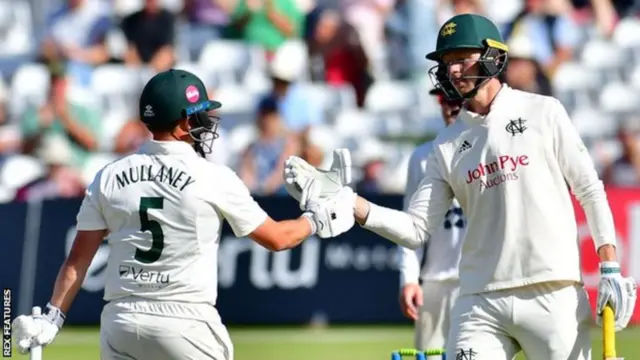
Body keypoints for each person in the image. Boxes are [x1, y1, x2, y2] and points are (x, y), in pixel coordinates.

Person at [283, 13, 637, 359]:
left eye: (461, 59)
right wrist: (354, 204)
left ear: (493, 56)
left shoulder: (544, 112)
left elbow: (589, 190)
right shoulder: (446, 145)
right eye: (446, 62)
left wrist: (609, 267)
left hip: (551, 289)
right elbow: (416, 229)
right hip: (479, 299)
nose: (452, 70)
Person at [11, 69, 356, 360]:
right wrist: (316, 218)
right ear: (182, 122)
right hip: (185, 319)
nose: (206, 124)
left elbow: (77, 261)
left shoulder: (110, 175)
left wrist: (53, 318)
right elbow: (278, 239)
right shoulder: (214, 176)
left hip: (120, 319)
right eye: (200, 116)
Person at [398, 87, 464, 351]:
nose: (451, 107)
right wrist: (409, 279)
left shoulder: (491, 149)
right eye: (445, 100)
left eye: (457, 99)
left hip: (479, 281)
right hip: (435, 282)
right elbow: (410, 226)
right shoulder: (422, 158)